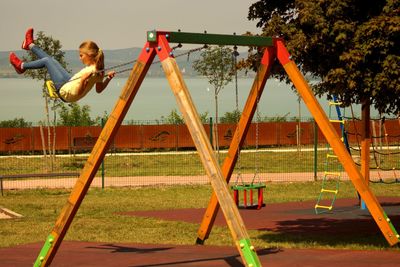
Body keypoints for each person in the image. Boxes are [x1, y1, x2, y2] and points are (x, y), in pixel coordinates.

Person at [9, 28, 116, 102]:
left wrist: (83, 80)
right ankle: (30, 45)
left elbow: (77, 93)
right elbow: (99, 89)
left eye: (81, 55)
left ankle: (21, 66)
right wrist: (108, 79)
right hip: (69, 83)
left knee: (47, 61)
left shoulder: (90, 72)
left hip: (65, 92)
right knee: (53, 61)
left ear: (89, 55)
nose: (80, 58)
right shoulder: (98, 70)